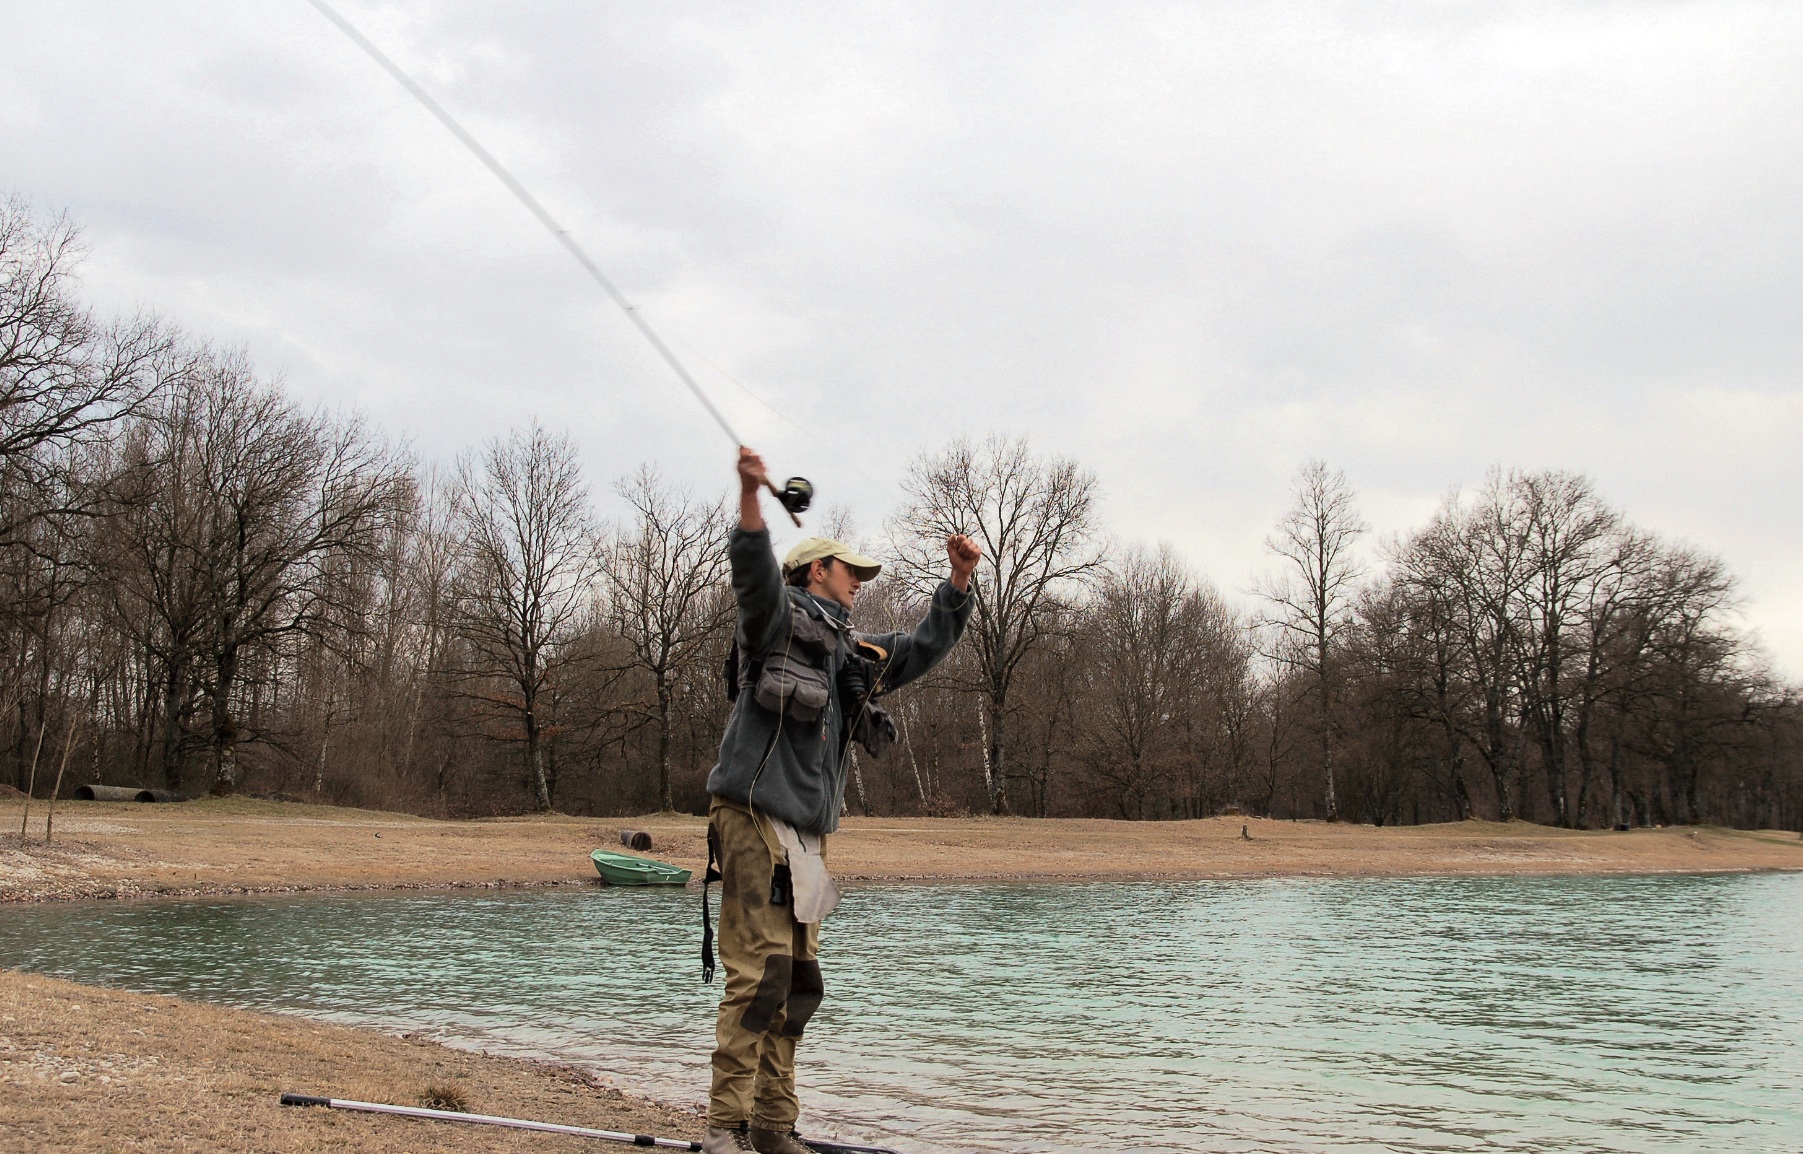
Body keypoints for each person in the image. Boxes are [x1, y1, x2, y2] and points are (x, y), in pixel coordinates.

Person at [702, 446, 980, 1154]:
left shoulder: (849, 654)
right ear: (814, 571)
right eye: (849, 570)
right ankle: (726, 1128)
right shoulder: (773, 622)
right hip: (752, 816)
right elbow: (751, 574)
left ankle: (771, 1127)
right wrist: (748, 497)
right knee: (757, 977)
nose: (858, 581)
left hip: (807, 840)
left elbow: (920, 646)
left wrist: (958, 581)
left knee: (797, 984)